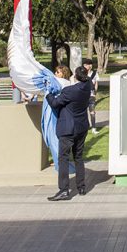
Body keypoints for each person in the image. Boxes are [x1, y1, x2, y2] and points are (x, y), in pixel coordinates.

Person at [46, 65, 92, 200]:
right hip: (82, 127)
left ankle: (64, 190)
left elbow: (55, 103)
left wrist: (48, 94)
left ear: (75, 76)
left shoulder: (69, 91)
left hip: (68, 129)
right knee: (78, 157)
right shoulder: (87, 85)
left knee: (63, 158)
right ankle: (81, 187)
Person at [82, 58, 99, 133]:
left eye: (91, 64)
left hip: (91, 95)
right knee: (83, 112)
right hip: (83, 96)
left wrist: (94, 93)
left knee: (92, 112)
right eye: (88, 64)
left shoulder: (95, 73)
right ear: (84, 65)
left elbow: (96, 84)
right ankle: (85, 127)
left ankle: (94, 128)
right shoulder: (81, 73)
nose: (90, 66)